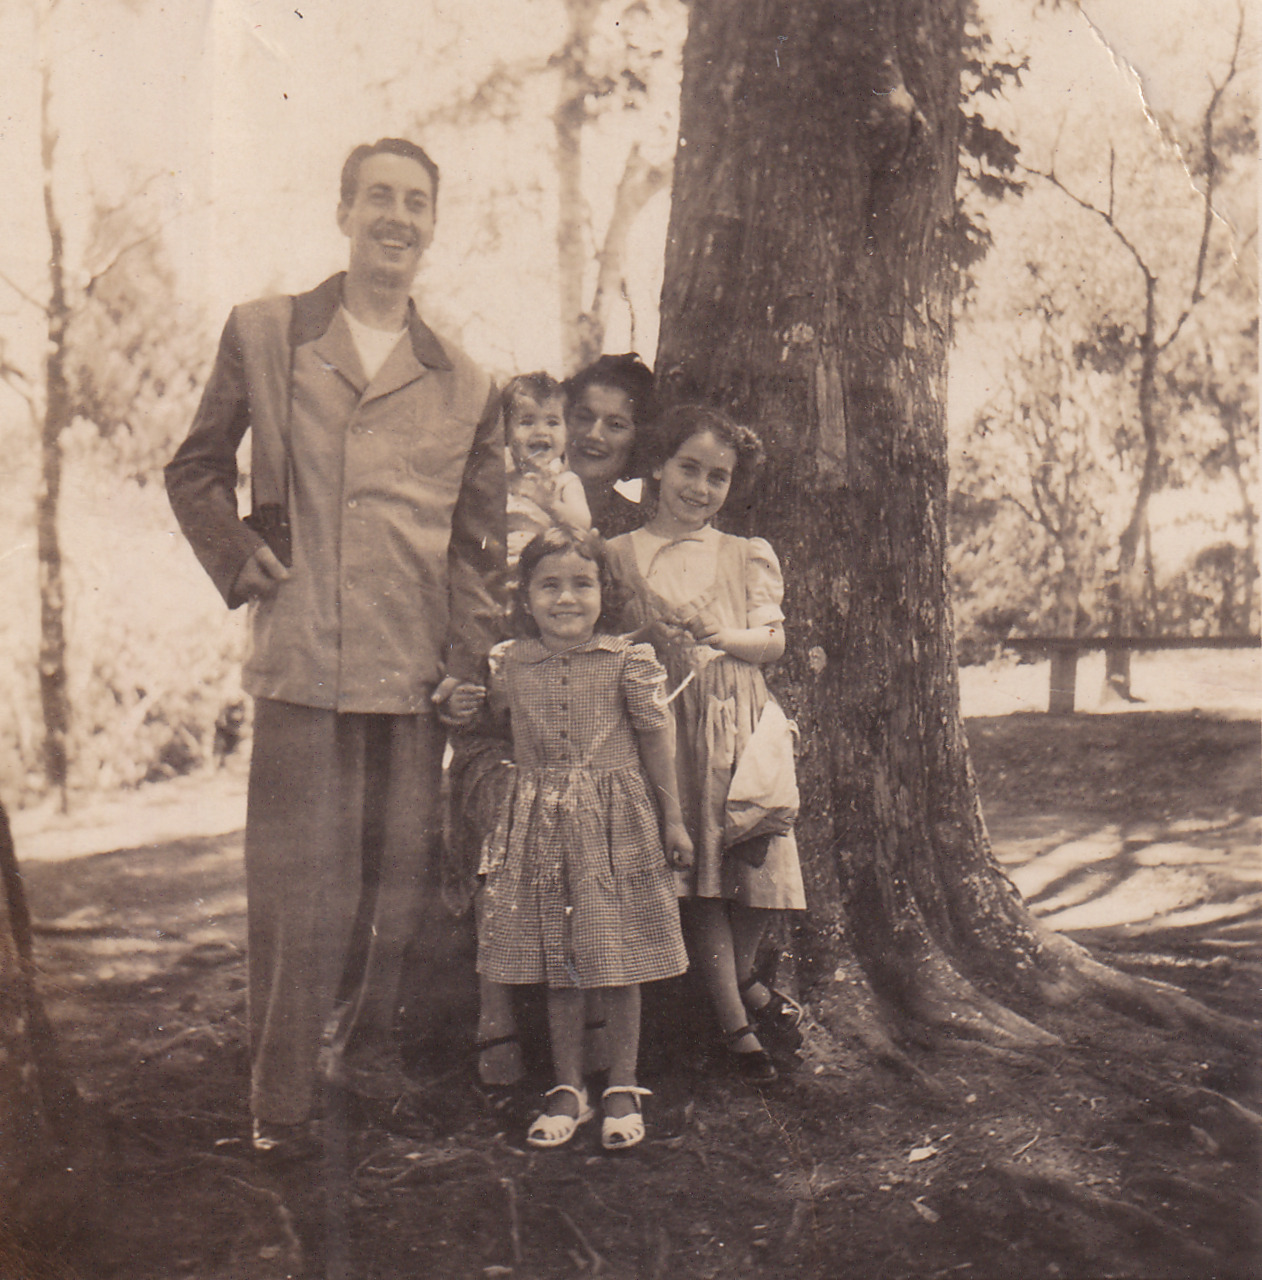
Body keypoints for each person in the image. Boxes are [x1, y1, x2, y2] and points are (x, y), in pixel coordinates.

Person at [164, 138, 505, 1154]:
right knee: (295, 892)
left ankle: (362, 1063)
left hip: (412, 670)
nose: (396, 218)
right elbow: (193, 469)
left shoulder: (466, 379)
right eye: (378, 198)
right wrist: (238, 557)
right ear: (344, 211)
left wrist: (466, 662)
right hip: (304, 660)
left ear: (432, 225)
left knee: (395, 888)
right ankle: (279, 1103)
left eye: (415, 203)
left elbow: (478, 547)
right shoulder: (267, 333)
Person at [474, 526, 692, 1150]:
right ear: (526, 595)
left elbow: (656, 739)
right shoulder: (508, 661)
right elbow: (493, 723)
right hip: (540, 824)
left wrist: (673, 819)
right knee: (559, 956)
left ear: (604, 591)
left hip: (615, 821)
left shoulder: (628, 660)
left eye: (581, 584)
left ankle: (623, 1083)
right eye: (549, 585)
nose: (565, 599)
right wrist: (464, 705)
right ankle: (568, 1086)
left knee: (617, 953)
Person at [606, 405, 806, 1084]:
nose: (700, 486)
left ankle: (743, 979)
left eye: (717, 477)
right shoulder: (616, 556)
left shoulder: (745, 553)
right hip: (663, 733)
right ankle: (734, 1021)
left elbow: (773, 642)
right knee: (701, 888)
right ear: (657, 465)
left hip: (734, 722)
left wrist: (721, 637)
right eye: (688, 467)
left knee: (754, 872)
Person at [503, 371, 591, 568]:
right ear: (505, 432)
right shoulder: (502, 481)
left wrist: (550, 504)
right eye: (527, 422)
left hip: (548, 571)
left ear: (567, 432)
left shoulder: (564, 482)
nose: (541, 431)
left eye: (552, 422)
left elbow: (583, 523)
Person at [563, 353, 656, 538]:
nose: (594, 434)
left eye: (615, 425)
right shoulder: (524, 503)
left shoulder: (641, 529)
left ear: (638, 439)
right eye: (583, 417)